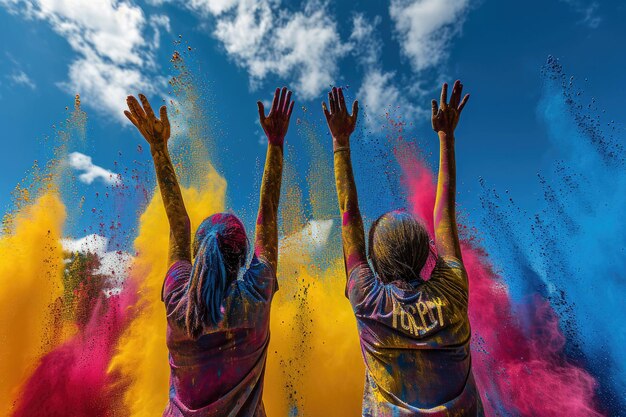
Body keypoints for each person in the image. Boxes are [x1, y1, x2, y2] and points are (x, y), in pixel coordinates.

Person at [124, 87, 294, 416]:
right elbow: (268, 216)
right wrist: (275, 143)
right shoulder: (256, 297)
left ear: (197, 252)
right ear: (244, 257)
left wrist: (158, 148)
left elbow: (177, 225)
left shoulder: (177, 299)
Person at [323, 81, 483, 416]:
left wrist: (340, 143)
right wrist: (446, 137)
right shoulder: (451, 292)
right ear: (429, 253)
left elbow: (348, 213)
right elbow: (445, 214)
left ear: (376, 265)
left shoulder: (368, 299)